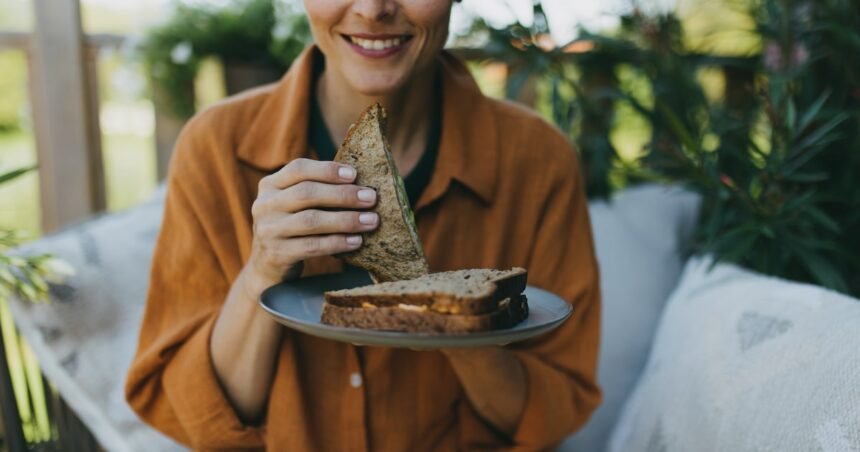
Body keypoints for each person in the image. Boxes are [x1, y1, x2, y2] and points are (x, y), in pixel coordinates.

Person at [125, 1, 601, 450]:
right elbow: (198, 421)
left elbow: (550, 415)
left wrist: (461, 320)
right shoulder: (214, 148)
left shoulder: (539, 160)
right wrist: (262, 272)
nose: (374, 10)